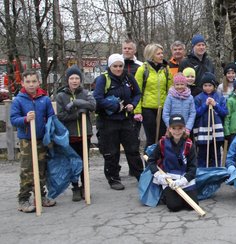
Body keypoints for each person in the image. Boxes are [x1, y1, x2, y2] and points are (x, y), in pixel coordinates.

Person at [94, 54, 143, 190]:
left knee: (133, 149)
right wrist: (115, 106)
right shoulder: (103, 79)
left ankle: (141, 176)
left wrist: (133, 104)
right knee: (112, 151)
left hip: (126, 119)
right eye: (115, 66)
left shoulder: (128, 77)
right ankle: (114, 178)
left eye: (120, 66)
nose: (118, 68)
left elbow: (138, 93)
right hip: (108, 120)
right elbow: (97, 98)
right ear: (110, 66)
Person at [11, 70, 57, 212]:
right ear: (23, 83)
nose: (31, 84)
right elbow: (13, 120)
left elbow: (51, 117)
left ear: (38, 82)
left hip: (42, 139)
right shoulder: (18, 100)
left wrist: (50, 129)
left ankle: (40, 196)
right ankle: (23, 199)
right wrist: (25, 119)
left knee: (41, 168)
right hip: (27, 140)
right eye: (28, 82)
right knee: (27, 169)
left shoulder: (45, 99)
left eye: (34, 81)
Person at [54, 65, 96, 202]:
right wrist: (77, 114)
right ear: (68, 80)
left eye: (77, 78)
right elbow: (61, 116)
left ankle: (85, 187)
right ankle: (75, 187)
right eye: (72, 78)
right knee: (73, 162)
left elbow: (93, 105)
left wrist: (77, 102)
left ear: (80, 80)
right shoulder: (61, 96)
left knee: (84, 162)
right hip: (70, 135)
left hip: (84, 133)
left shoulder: (85, 93)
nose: (74, 81)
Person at [147, 114, 198, 212]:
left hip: (184, 178)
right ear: (169, 129)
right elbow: (151, 161)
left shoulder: (189, 144)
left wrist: (184, 180)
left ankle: (183, 194)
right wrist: (158, 175)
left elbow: (193, 167)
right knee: (174, 206)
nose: (177, 131)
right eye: (174, 128)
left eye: (180, 128)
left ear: (184, 129)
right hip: (169, 179)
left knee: (192, 206)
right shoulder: (162, 143)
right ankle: (167, 195)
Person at [134, 43, 173, 148]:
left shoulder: (166, 69)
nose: (161, 56)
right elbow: (137, 91)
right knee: (151, 138)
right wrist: (137, 111)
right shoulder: (143, 70)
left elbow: (170, 89)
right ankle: (149, 162)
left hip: (163, 108)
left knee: (162, 138)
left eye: (162, 53)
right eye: (158, 54)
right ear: (151, 55)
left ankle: (161, 162)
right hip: (148, 108)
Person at [193, 72, 228, 167]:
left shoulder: (220, 97)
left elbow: (224, 112)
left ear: (214, 86)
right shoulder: (198, 98)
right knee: (202, 153)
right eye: (205, 85)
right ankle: (202, 172)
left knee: (216, 153)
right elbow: (196, 113)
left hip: (216, 131)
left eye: (210, 85)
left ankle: (215, 172)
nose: (208, 88)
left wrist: (215, 105)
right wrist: (205, 105)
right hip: (203, 131)